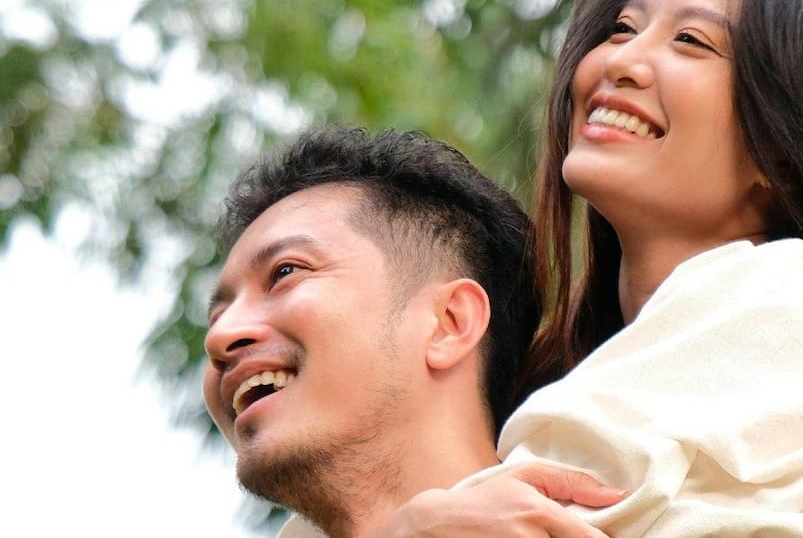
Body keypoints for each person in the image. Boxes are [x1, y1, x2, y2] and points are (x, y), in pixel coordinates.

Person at [375, 0, 803, 536]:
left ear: (783, 154)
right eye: (624, 27)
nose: (620, 61)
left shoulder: (797, 303)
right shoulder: (570, 381)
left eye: (691, 41)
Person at [201, 125, 621, 538]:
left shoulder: (640, 510)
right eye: (216, 317)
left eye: (285, 272)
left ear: (449, 323)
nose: (219, 339)